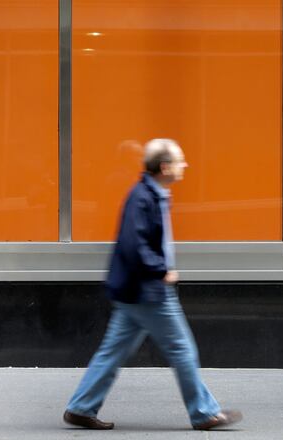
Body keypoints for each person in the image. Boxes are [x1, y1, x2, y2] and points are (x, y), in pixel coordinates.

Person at [63, 139, 241, 430]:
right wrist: (161, 270)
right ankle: (204, 412)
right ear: (165, 166)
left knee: (113, 351)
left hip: (134, 290)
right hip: (149, 291)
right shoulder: (144, 197)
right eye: (180, 160)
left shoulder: (150, 193)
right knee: (182, 348)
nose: (186, 165)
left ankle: (81, 407)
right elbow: (136, 244)